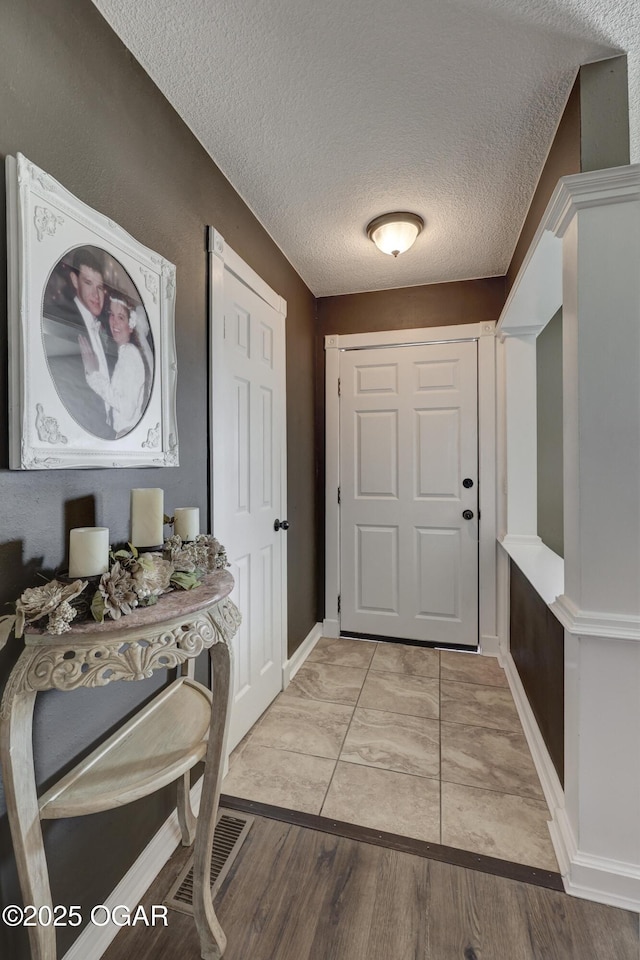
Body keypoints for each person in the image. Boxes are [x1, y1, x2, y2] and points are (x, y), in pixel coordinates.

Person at [43, 248, 117, 439]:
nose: (96, 294)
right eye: (88, 283)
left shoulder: (107, 328)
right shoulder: (60, 320)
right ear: (75, 281)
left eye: (100, 287)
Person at [80, 297, 151, 437]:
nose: (114, 322)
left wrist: (94, 376)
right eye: (112, 314)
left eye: (121, 317)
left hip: (125, 434)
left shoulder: (130, 354)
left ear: (130, 326)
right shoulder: (125, 352)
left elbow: (127, 409)